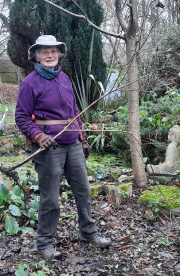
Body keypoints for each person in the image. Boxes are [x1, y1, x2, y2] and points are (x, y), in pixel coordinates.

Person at [15, 35, 110, 260]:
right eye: (45, 52)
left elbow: (74, 112)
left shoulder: (64, 78)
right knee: (50, 198)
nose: (50, 55)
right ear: (37, 56)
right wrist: (38, 135)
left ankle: (89, 233)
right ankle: (45, 244)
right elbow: (21, 117)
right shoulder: (30, 83)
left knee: (83, 191)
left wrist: (82, 137)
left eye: (54, 51)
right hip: (50, 148)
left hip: (72, 144)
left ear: (59, 55)